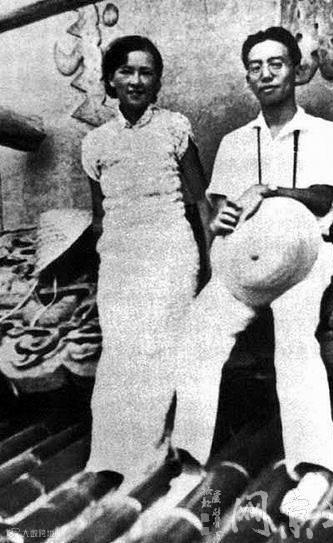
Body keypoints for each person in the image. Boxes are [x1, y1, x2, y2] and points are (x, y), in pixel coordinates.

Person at [206, 26, 333, 517]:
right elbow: (221, 210)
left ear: (296, 70)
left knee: (294, 338)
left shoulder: (325, 133)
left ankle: (314, 469)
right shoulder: (233, 143)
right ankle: (191, 465)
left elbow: (322, 198)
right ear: (248, 77)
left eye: (276, 63)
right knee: (199, 331)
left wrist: (268, 190)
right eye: (256, 67)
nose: (266, 74)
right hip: (245, 263)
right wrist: (221, 218)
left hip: (305, 257)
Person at [81, 35, 209, 491]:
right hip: (119, 258)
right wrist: (101, 270)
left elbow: (200, 202)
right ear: (110, 80)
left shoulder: (175, 128)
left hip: (171, 252)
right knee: (120, 355)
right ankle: (109, 460)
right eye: (126, 71)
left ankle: (149, 465)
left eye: (146, 72)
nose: (136, 80)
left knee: (159, 353)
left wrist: (211, 264)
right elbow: (99, 217)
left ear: (157, 82)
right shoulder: (95, 142)